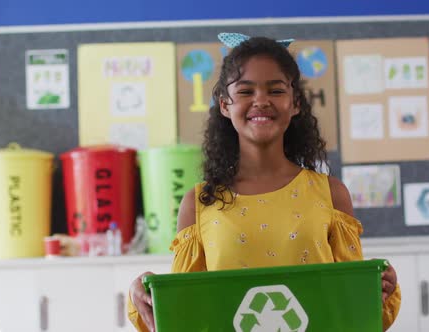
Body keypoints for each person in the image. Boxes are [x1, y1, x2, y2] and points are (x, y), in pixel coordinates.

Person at [128, 33, 401, 332]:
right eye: (245, 91)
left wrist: (380, 289)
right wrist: (142, 294)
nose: (261, 101)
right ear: (224, 105)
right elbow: (185, 315)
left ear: (295, 103)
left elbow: (352, 310)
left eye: (275, 90)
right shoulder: (199, 204)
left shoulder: (331, 194)